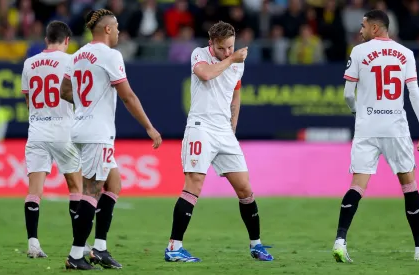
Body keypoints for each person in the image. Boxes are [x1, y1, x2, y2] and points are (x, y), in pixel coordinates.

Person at [60, 9, 162, 270]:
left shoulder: (78, 55)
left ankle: (100, 249)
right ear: (107, 29)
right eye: (116, 27)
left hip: (83, 128)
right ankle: (75, 255)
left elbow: (64, 90)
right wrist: (150, 127)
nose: (118, 32)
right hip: (97, 133)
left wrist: (84, 102)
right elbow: (128, 96)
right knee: (91, 191)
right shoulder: (110, 55)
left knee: (113, 185)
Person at [164, 21, 274, 263]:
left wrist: (233, 123)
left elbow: (236, 90)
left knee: (245, 189)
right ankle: (174, 246)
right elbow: (205, 73)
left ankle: (256, 245)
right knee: (194, 184)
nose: (227, 51)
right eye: (222, 48)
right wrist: (231, 59)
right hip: (200, 128)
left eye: (231, 47)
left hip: (224, 131)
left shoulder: (236, 63)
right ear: (211, 43)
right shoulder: (199, 54)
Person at [333, 10, 419, 263]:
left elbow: (348, 94)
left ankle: (340, 240)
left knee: (357, 185)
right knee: (409, 186)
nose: (360, 30)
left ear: (376, 29)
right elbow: (414, 93)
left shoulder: (358, 52)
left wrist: (357, 112)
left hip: (367, 128)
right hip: (395, 129)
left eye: (363, 26)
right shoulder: (406, 54)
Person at [20, 21, 83, 259]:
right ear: (67, 40)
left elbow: (28, 101)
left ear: (46, 39)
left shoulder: (29, 63)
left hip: (36, 130)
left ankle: (33, 243)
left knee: (34, 191)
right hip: (63, 129)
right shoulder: (71, 61)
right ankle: (80, 244)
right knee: (76, 187)